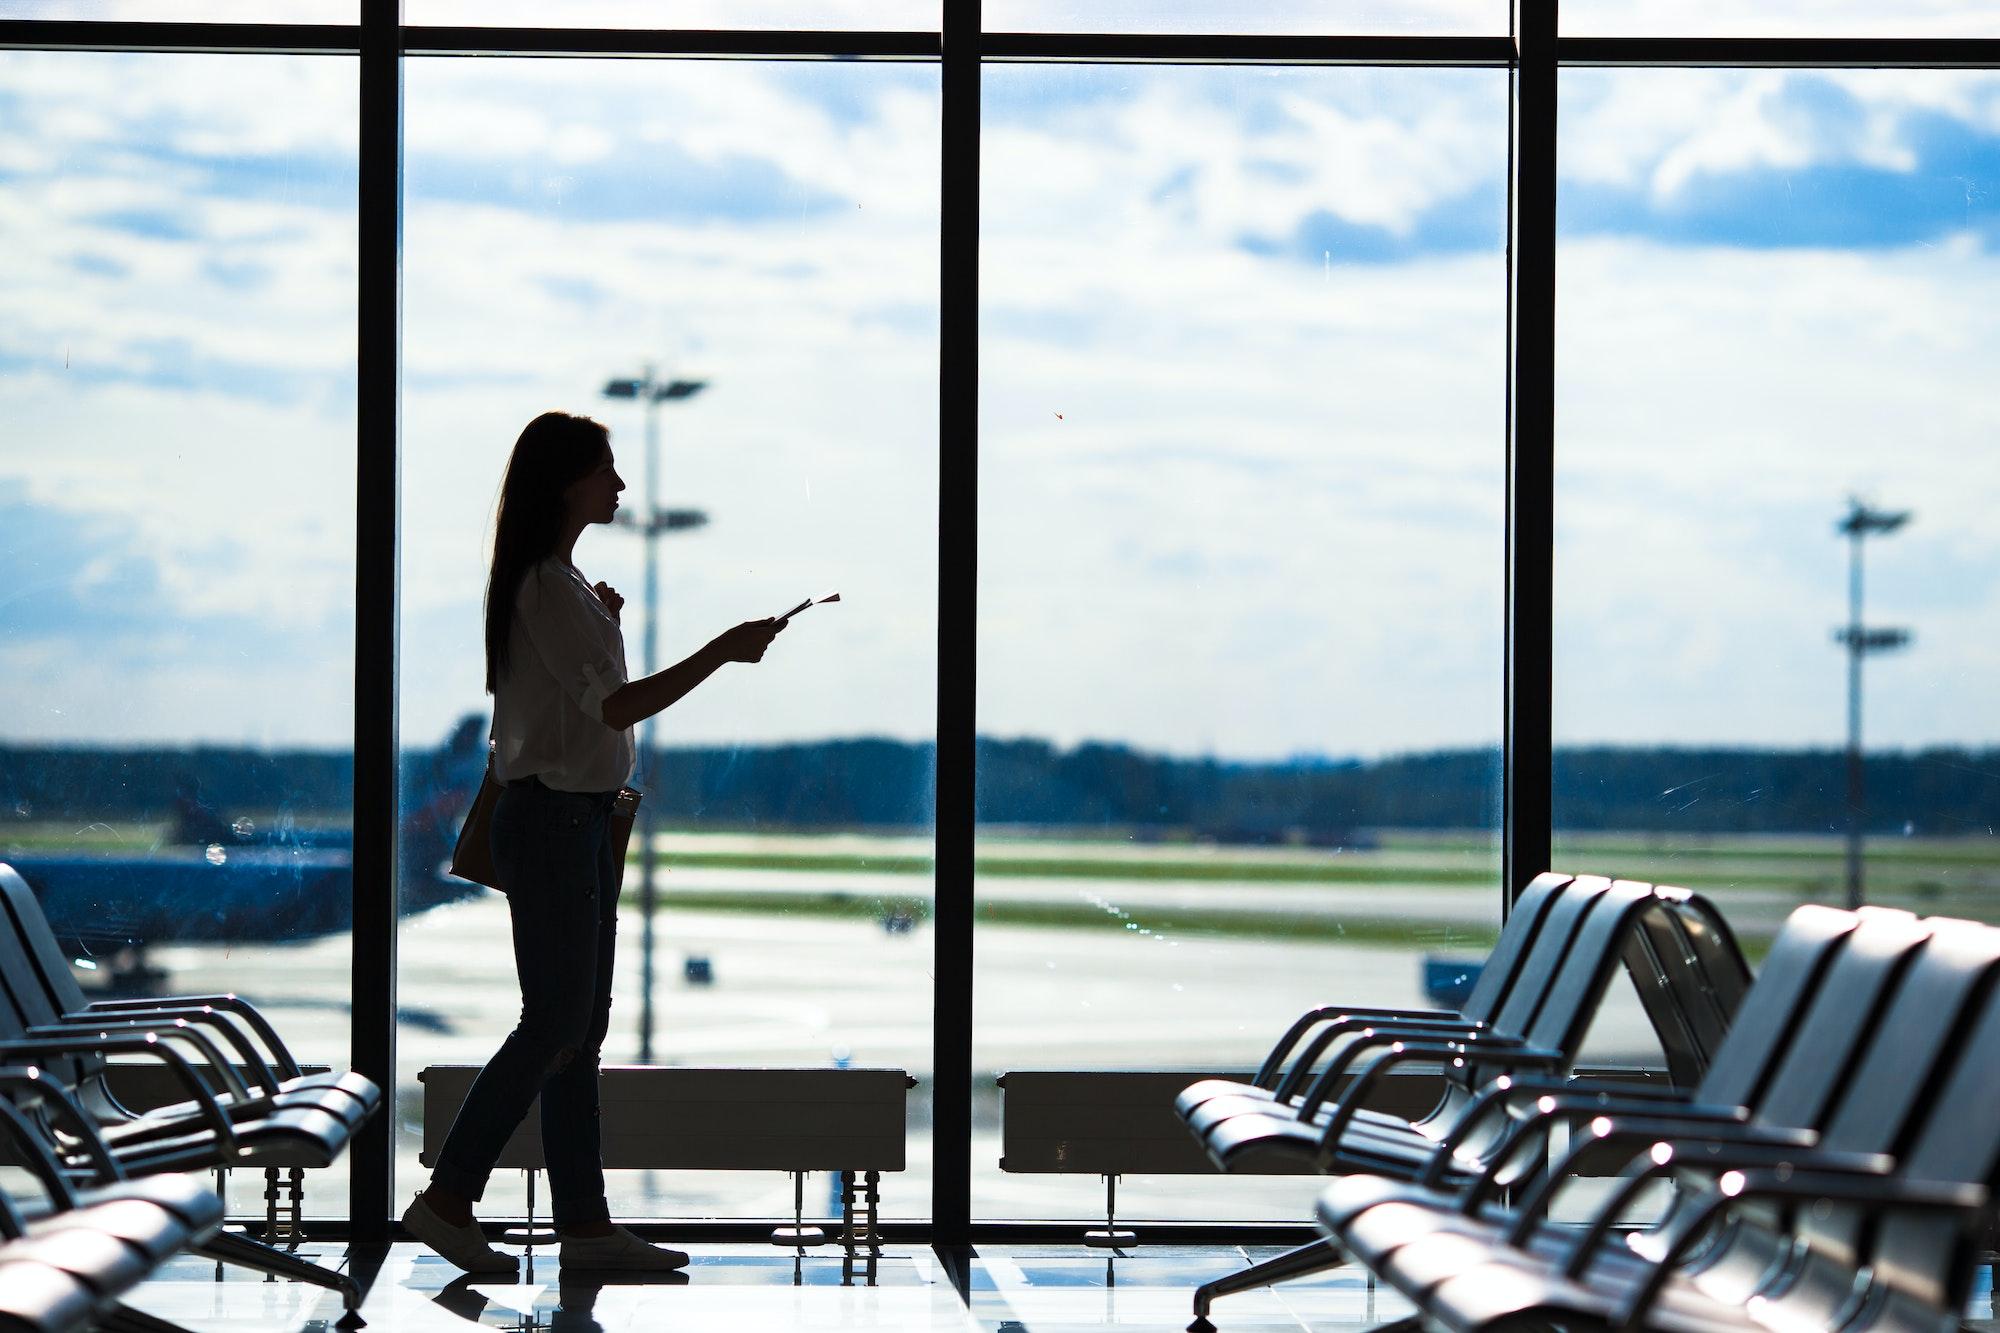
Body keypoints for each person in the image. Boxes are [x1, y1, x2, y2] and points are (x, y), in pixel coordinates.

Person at [401, 411, 783, 1274]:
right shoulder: (544, 584)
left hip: (575, 821)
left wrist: (603, 619)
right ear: (567, 481)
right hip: (556, 822)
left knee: (578, 1028)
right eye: (605, 471)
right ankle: (449, 1197)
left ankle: (583, 1225)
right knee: (558, 1022)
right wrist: (721, 650)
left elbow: (580, 697)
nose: (620, 487)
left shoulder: (558, 585)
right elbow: (613, 708)